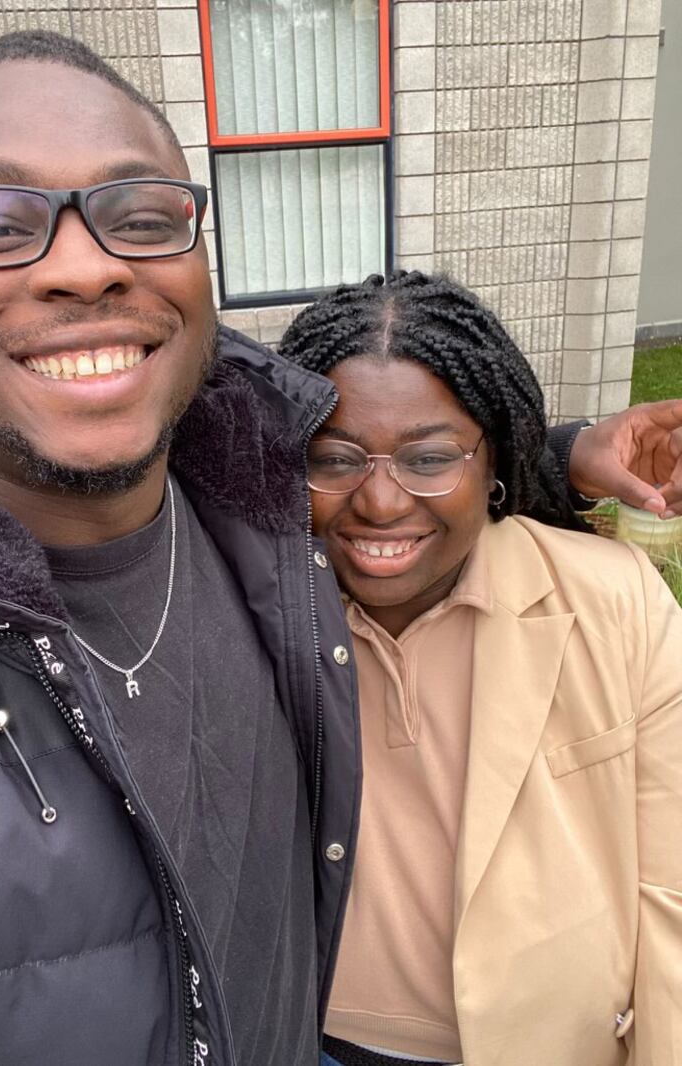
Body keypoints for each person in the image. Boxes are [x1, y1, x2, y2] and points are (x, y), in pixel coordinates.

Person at [0, 29, 680, 1066]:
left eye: (139, 216)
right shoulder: (286, 559)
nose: (82, 268)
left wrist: (553, 454)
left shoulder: (253, 541)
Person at [278, 271, 682, 1066]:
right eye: (336, 458)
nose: (382, 502)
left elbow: (673, 887)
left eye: (430, 458)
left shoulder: (612, 599)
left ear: (495, 456)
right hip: (316, 1043)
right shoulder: (249, 606)